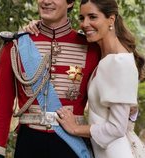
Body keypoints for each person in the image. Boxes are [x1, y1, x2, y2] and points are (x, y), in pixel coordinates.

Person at [0, 0, 100, 158]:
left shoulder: (93, 49)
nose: (46, 1)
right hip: (28, 144)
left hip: (72, 146)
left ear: (70, 2)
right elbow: (2, 107)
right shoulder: (16, 46)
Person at [55, 0, 145, 158]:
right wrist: (37, 26)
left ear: (111, 19)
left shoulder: (120, 62)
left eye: (92, 17)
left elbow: (117, 128)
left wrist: (75, 128)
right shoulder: (103, 55)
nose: (85, 24)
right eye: (82, 18)